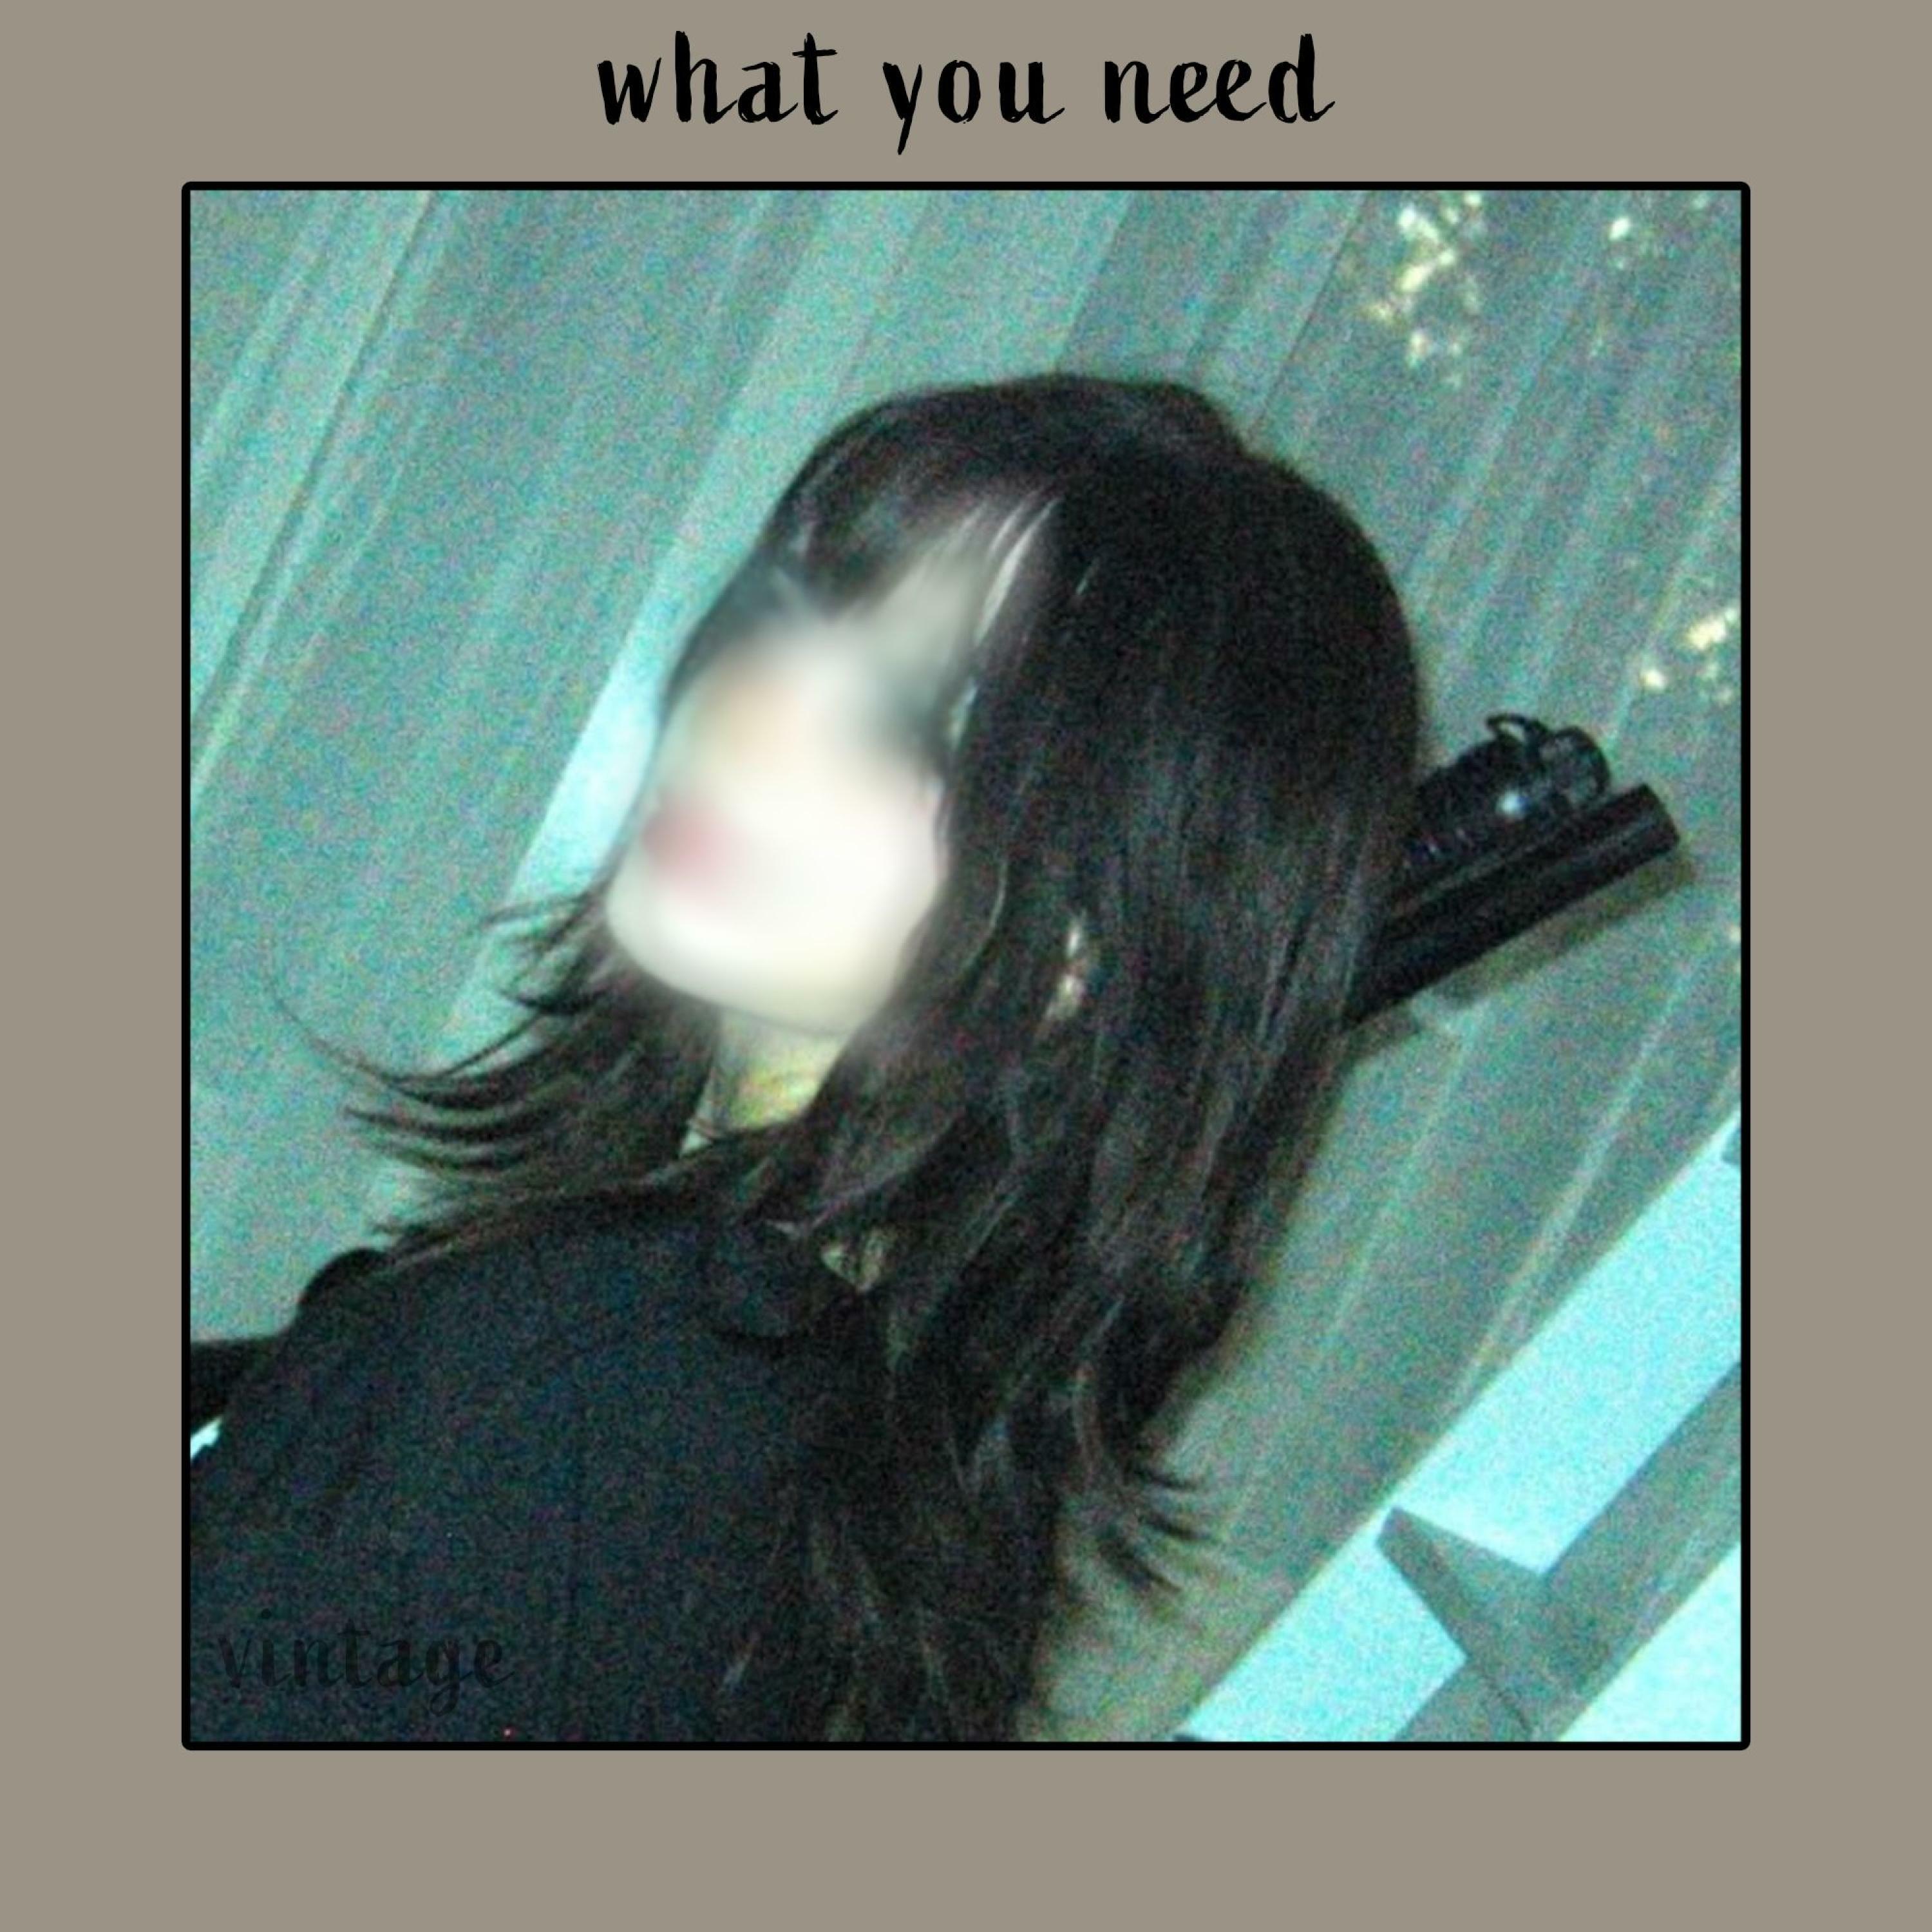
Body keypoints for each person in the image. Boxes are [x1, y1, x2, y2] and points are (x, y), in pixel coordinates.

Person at [188, 371, 1422, 1743]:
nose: (755, 710)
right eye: (791, 616)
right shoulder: (903, 1442)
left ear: (1086, 946)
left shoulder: (558, 1378)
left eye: (908, 721)